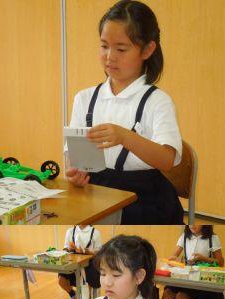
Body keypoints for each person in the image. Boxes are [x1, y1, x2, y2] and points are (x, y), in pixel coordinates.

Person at [65, 0, 183, 224]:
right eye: (104, 46)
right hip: (95, 194)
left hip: (144, 200)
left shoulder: (157, 101)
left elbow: (167, 160)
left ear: (147, 50)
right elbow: (73, 159)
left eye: (121, 49)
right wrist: (75, 174)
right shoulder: (84, 98)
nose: (110, 56)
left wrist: (125, 137)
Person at [159, 225, 224, 299]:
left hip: (201, 281)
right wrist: (172, 259)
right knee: (168, 292)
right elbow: (174, 254)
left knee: (180, 295)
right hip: (186, 278)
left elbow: (220, 263)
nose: (192, 225)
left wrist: (203, 258)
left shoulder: (213, 238)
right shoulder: (184, 236)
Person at [59, 225, 102, 299]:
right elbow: (65, 248)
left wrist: (86, 251)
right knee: (61, 280)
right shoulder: (70, 231)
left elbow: (99, 252)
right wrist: (69, 249)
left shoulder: (95, 232)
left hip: (89, 263)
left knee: (89, 281)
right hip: (73, 262)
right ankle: (73, 295)